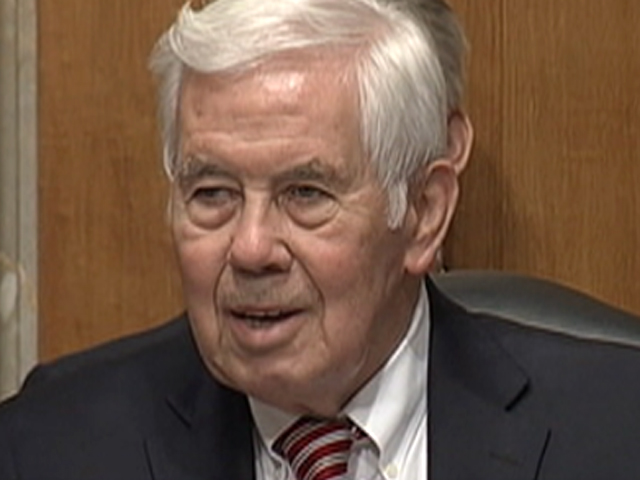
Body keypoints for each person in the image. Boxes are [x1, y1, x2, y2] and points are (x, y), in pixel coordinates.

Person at [2, 0, 640, 479]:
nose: (251, 249)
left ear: (424, 213)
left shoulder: (618, 428)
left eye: (305, 194)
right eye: (213, 193)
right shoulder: (47, 445)